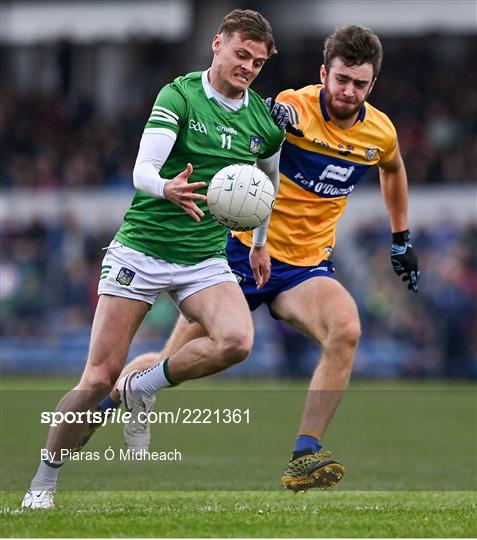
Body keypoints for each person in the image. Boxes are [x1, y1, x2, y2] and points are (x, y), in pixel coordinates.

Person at [76, 25, 421, 494]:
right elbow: (245, 121)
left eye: (359, 84)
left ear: (372, 85)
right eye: (341, 80)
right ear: (324, 73)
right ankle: (110, 405)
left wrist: (400, 237)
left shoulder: (379, 132)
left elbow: (394, 168)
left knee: (347, 329)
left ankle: (305, 455)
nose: (348, 92)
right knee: (172, 360)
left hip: (304, 268)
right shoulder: (289, 107)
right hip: (239, 253)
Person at [22, 9, 285, 509]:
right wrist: (166, 186)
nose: (248, 67)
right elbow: (141, 169)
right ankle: (44, 479)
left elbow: (267, 184)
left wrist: (259, 242)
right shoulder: (178, 95)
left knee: (237, 341)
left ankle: (144, 384)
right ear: (217, 45)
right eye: (241, 54)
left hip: (203, 256)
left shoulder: (264, 123)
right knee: (98, 378)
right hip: (141, 249)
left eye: (258, 61)